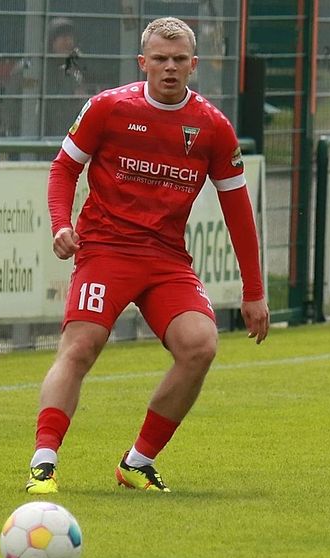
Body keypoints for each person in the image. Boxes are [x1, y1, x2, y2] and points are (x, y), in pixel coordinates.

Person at [24, 17, 269, 494]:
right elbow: (63, 169)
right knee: (81, 346)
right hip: (106, 251)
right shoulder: (109, 108)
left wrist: (254, 291)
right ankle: (43, 462)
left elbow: (239, 213)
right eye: (160, 59)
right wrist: (61, 224)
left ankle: (137, 462)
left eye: (179, 59)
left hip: (166, 260)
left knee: (200, 345)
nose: (169, 67)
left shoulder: (213, 127)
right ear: (143, 63)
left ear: (194, 65)